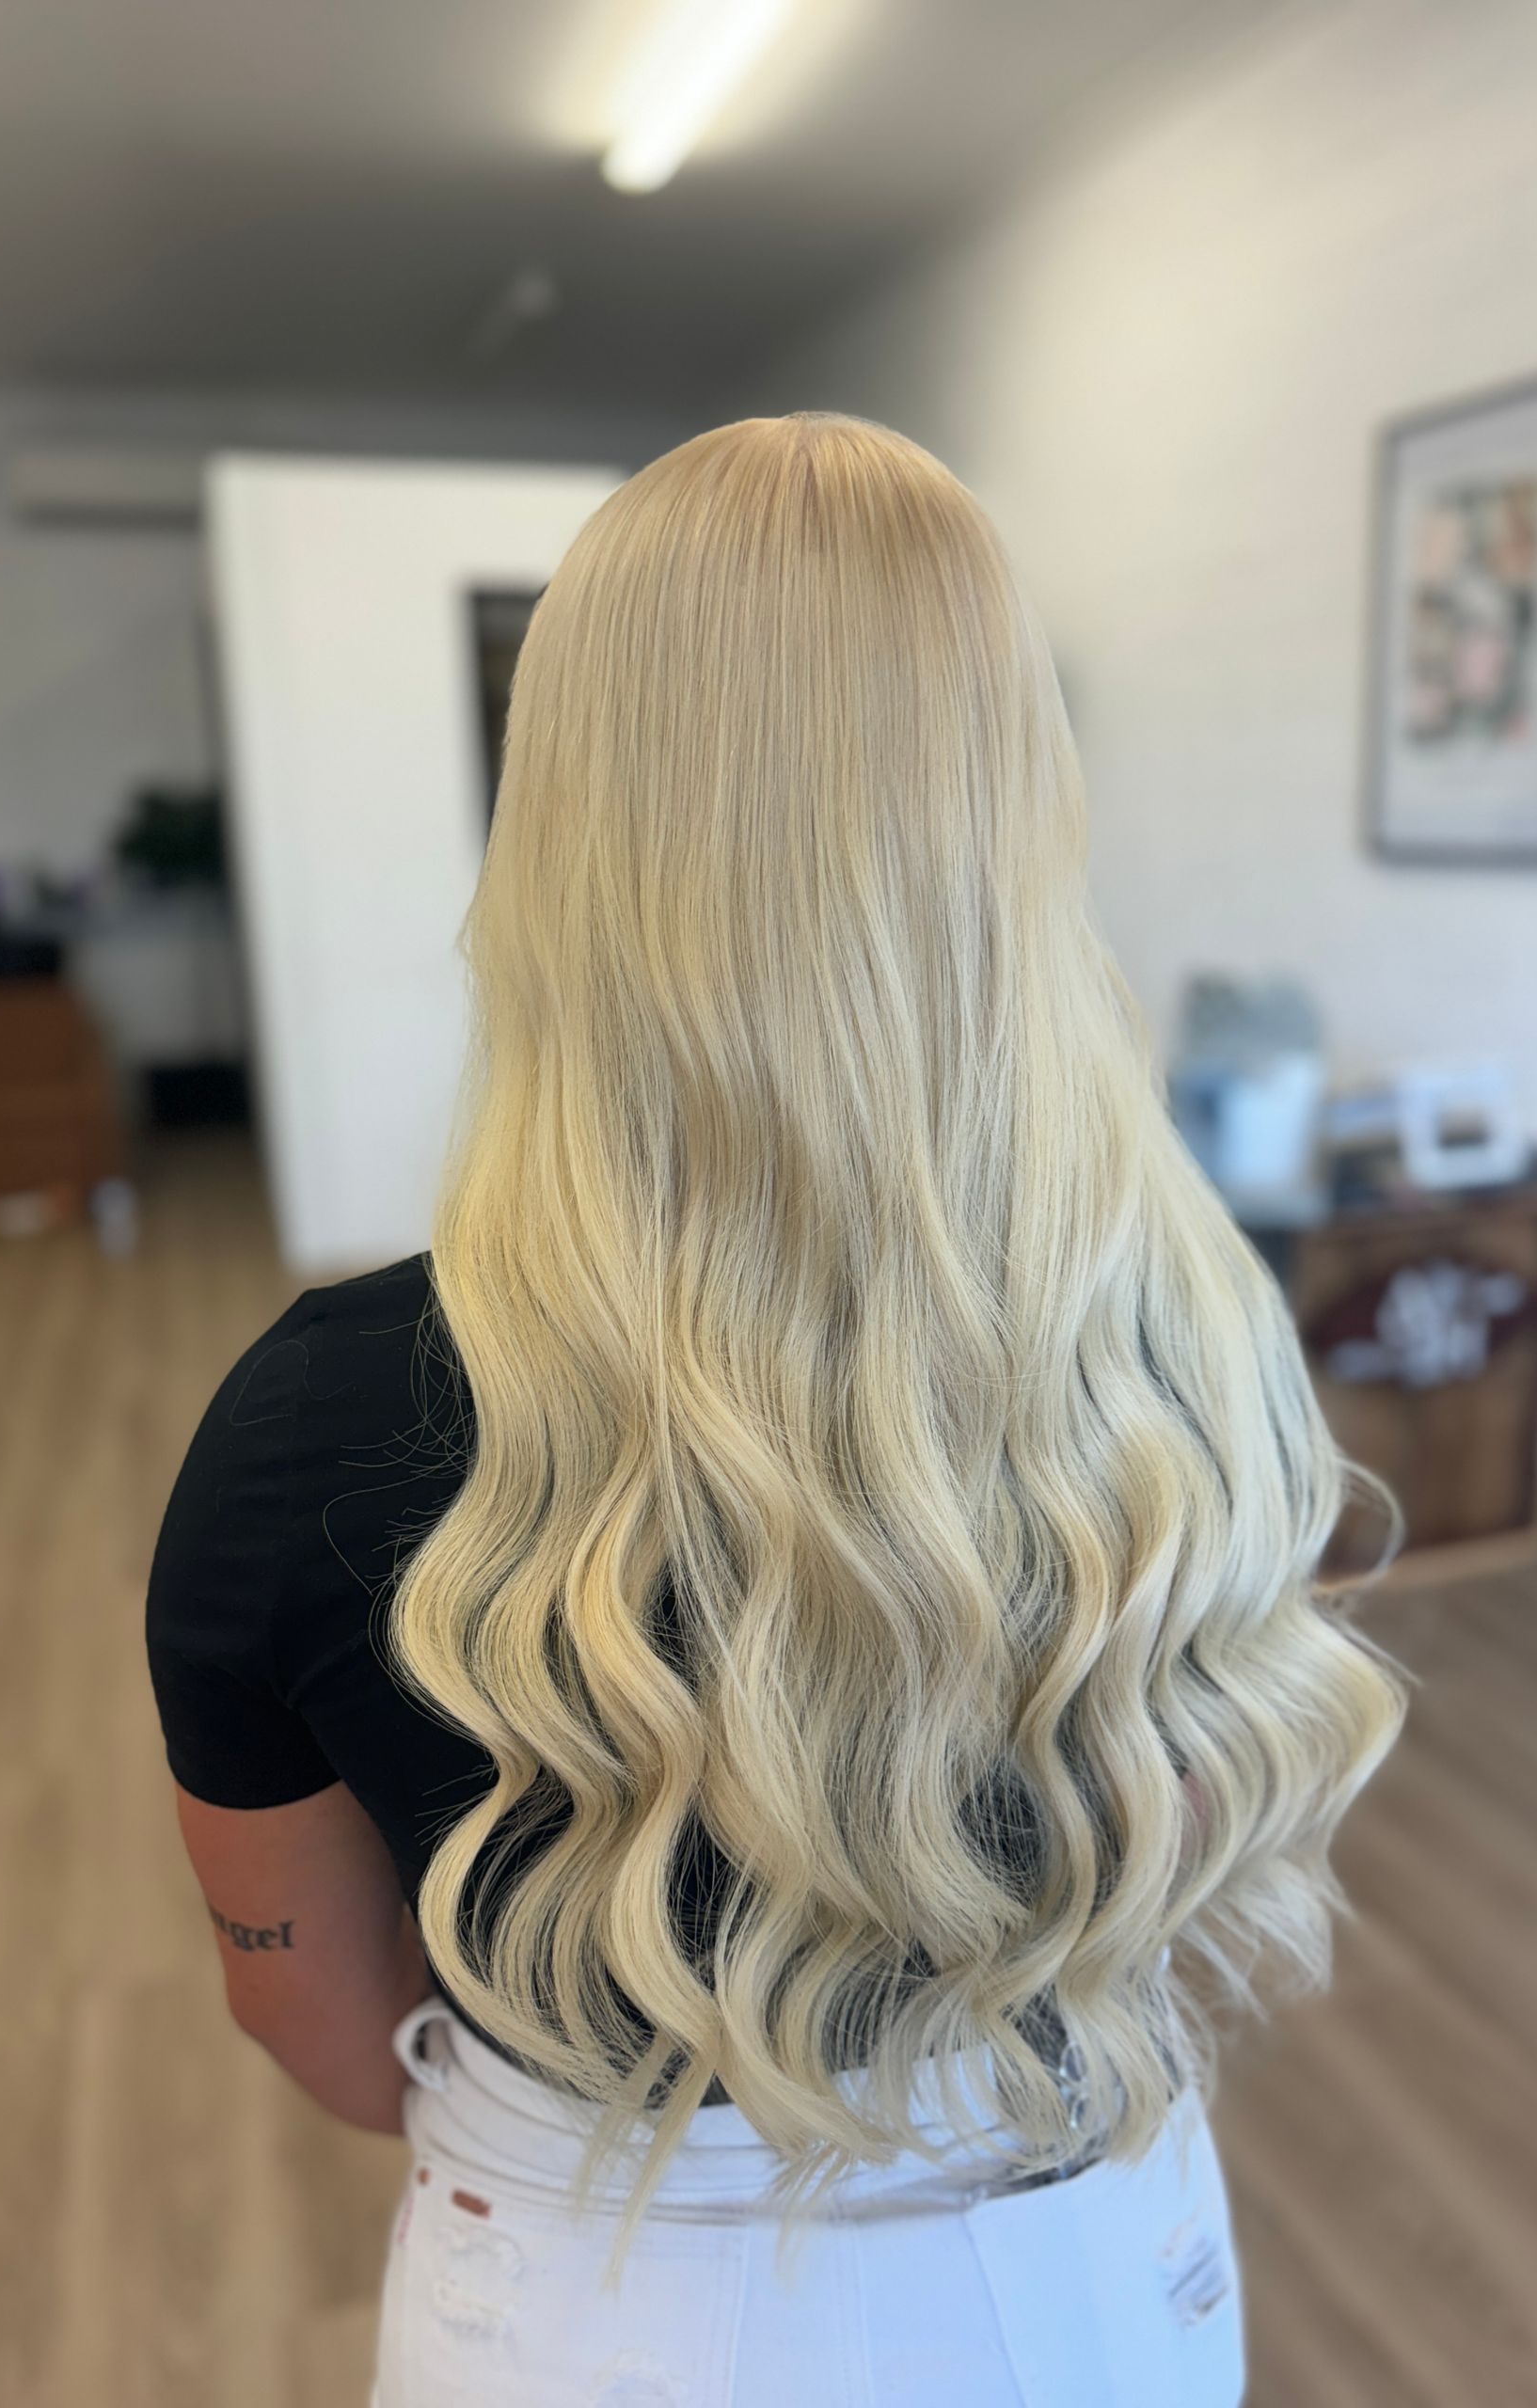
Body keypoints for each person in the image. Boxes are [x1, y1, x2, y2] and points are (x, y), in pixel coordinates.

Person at [146, 412, 1403, 2406]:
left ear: (560, 818)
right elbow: (1149, 1837)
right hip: (1098, 2256)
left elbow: (318, 2020)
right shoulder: (1177, 1332)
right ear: (1015, 803)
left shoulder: (312, 1428)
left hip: (599, 2298)